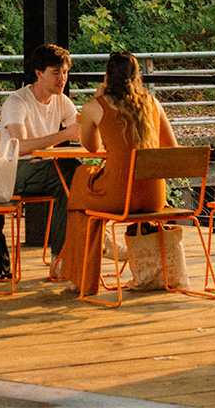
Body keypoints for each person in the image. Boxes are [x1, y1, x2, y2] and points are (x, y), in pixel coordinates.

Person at [56, 52, 178, 294]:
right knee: (82, 191)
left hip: (120, 196)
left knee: (80, 188)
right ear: (137, 77)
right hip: (155, 198)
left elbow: (91, 147)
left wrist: (99, 103)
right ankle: (83, 269)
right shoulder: (153, 104)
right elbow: (171, 149)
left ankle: (81, 279)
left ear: (107, 76)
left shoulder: (95, 106)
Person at [0, 44, 81, 265]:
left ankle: (64, 258)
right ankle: (66, 257)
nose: (62, 78)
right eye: (55, 73)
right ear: (38, 73)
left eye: (65, 72)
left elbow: (82, 132)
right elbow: (21, 147)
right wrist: (64, 134)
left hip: (45, 169)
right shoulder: (17, 101)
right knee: (70, 172)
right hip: (14, 172)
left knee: (79, 176)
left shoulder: (61, 101)